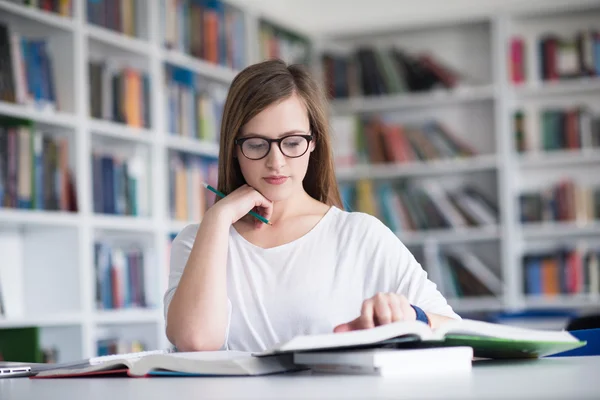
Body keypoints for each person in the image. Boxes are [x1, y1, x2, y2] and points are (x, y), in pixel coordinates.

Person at [164, 59, 460, 352]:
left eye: (292, 143)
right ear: (234, 148)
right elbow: (196, 341)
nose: (276, 162)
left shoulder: (359, 235)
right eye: (256, 144)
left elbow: (456, 331)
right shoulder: (198, 241)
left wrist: (412, 317)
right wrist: (219, 218)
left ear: (314, 142)